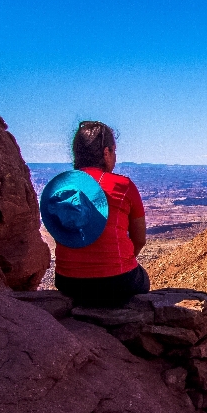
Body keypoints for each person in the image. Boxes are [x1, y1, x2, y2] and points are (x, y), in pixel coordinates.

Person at [45, 121, 149, 307]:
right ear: (106, 152)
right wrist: (119, 262)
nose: (115, 157)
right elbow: (139, 239)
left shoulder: (60, 187)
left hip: (67, 282)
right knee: (143, 278)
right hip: (117, 282)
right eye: (114, 151)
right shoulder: (123, 186)